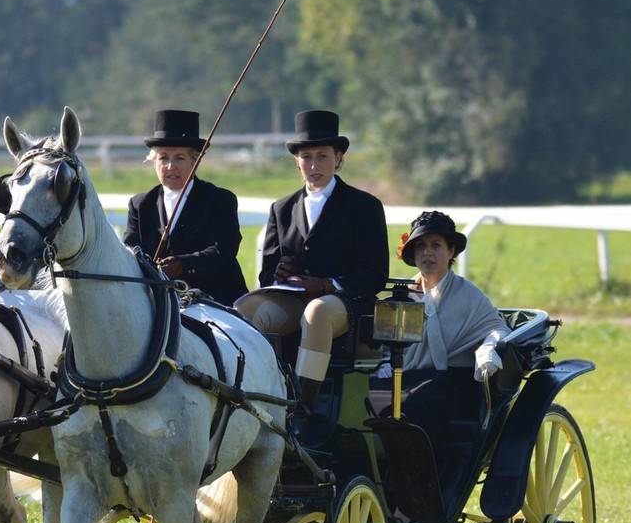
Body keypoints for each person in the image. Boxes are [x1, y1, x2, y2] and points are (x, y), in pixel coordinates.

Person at [235, 110, 389, 403]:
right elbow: (267, 275)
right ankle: (254, 393)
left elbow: (375, 275)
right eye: (307, 157)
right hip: (293, 299)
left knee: (316, 312)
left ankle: (301, 407)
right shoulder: (281, 209)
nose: (314, 165)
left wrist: (327, 285)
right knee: (243, 309)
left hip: (345, 303)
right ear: (297, 161)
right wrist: (278, 272)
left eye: (322, 156)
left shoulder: (364, 206)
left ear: (338, 159)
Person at [123, 109, 248, 305]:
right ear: (154, 161)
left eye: (179, 158)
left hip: (214, 299)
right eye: (163, 158)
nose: (171, 166)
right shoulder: (140, 204)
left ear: (195, 161)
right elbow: (130, 250)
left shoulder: (219, 200)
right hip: (157, 302)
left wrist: (183, 264)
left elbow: (222, 251)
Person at [397, 210, 510, 380]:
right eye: (421, 245)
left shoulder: (468, 295)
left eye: (436, 245)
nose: (427, 252)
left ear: (451, 251)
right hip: (400, 378)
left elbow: (497, 329)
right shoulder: (401, 295)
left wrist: (487, 349)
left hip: (451, 382)